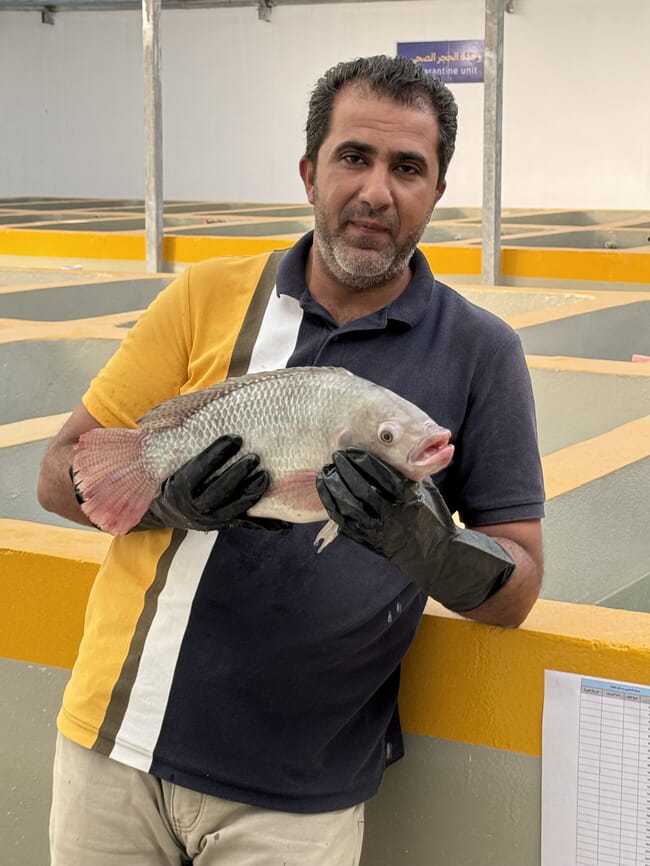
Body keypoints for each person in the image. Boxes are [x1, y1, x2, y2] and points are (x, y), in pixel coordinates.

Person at [38, 54, 544, 866]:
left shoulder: (484, 353)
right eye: (354, 157)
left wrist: (426, 542)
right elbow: (61, 473)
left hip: (297, 798)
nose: (377, 191)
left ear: (437, 192)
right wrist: (166, 498)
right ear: (311, 172)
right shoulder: (205, 294)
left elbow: (515, 589)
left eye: (407, 168)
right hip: (112, 744)